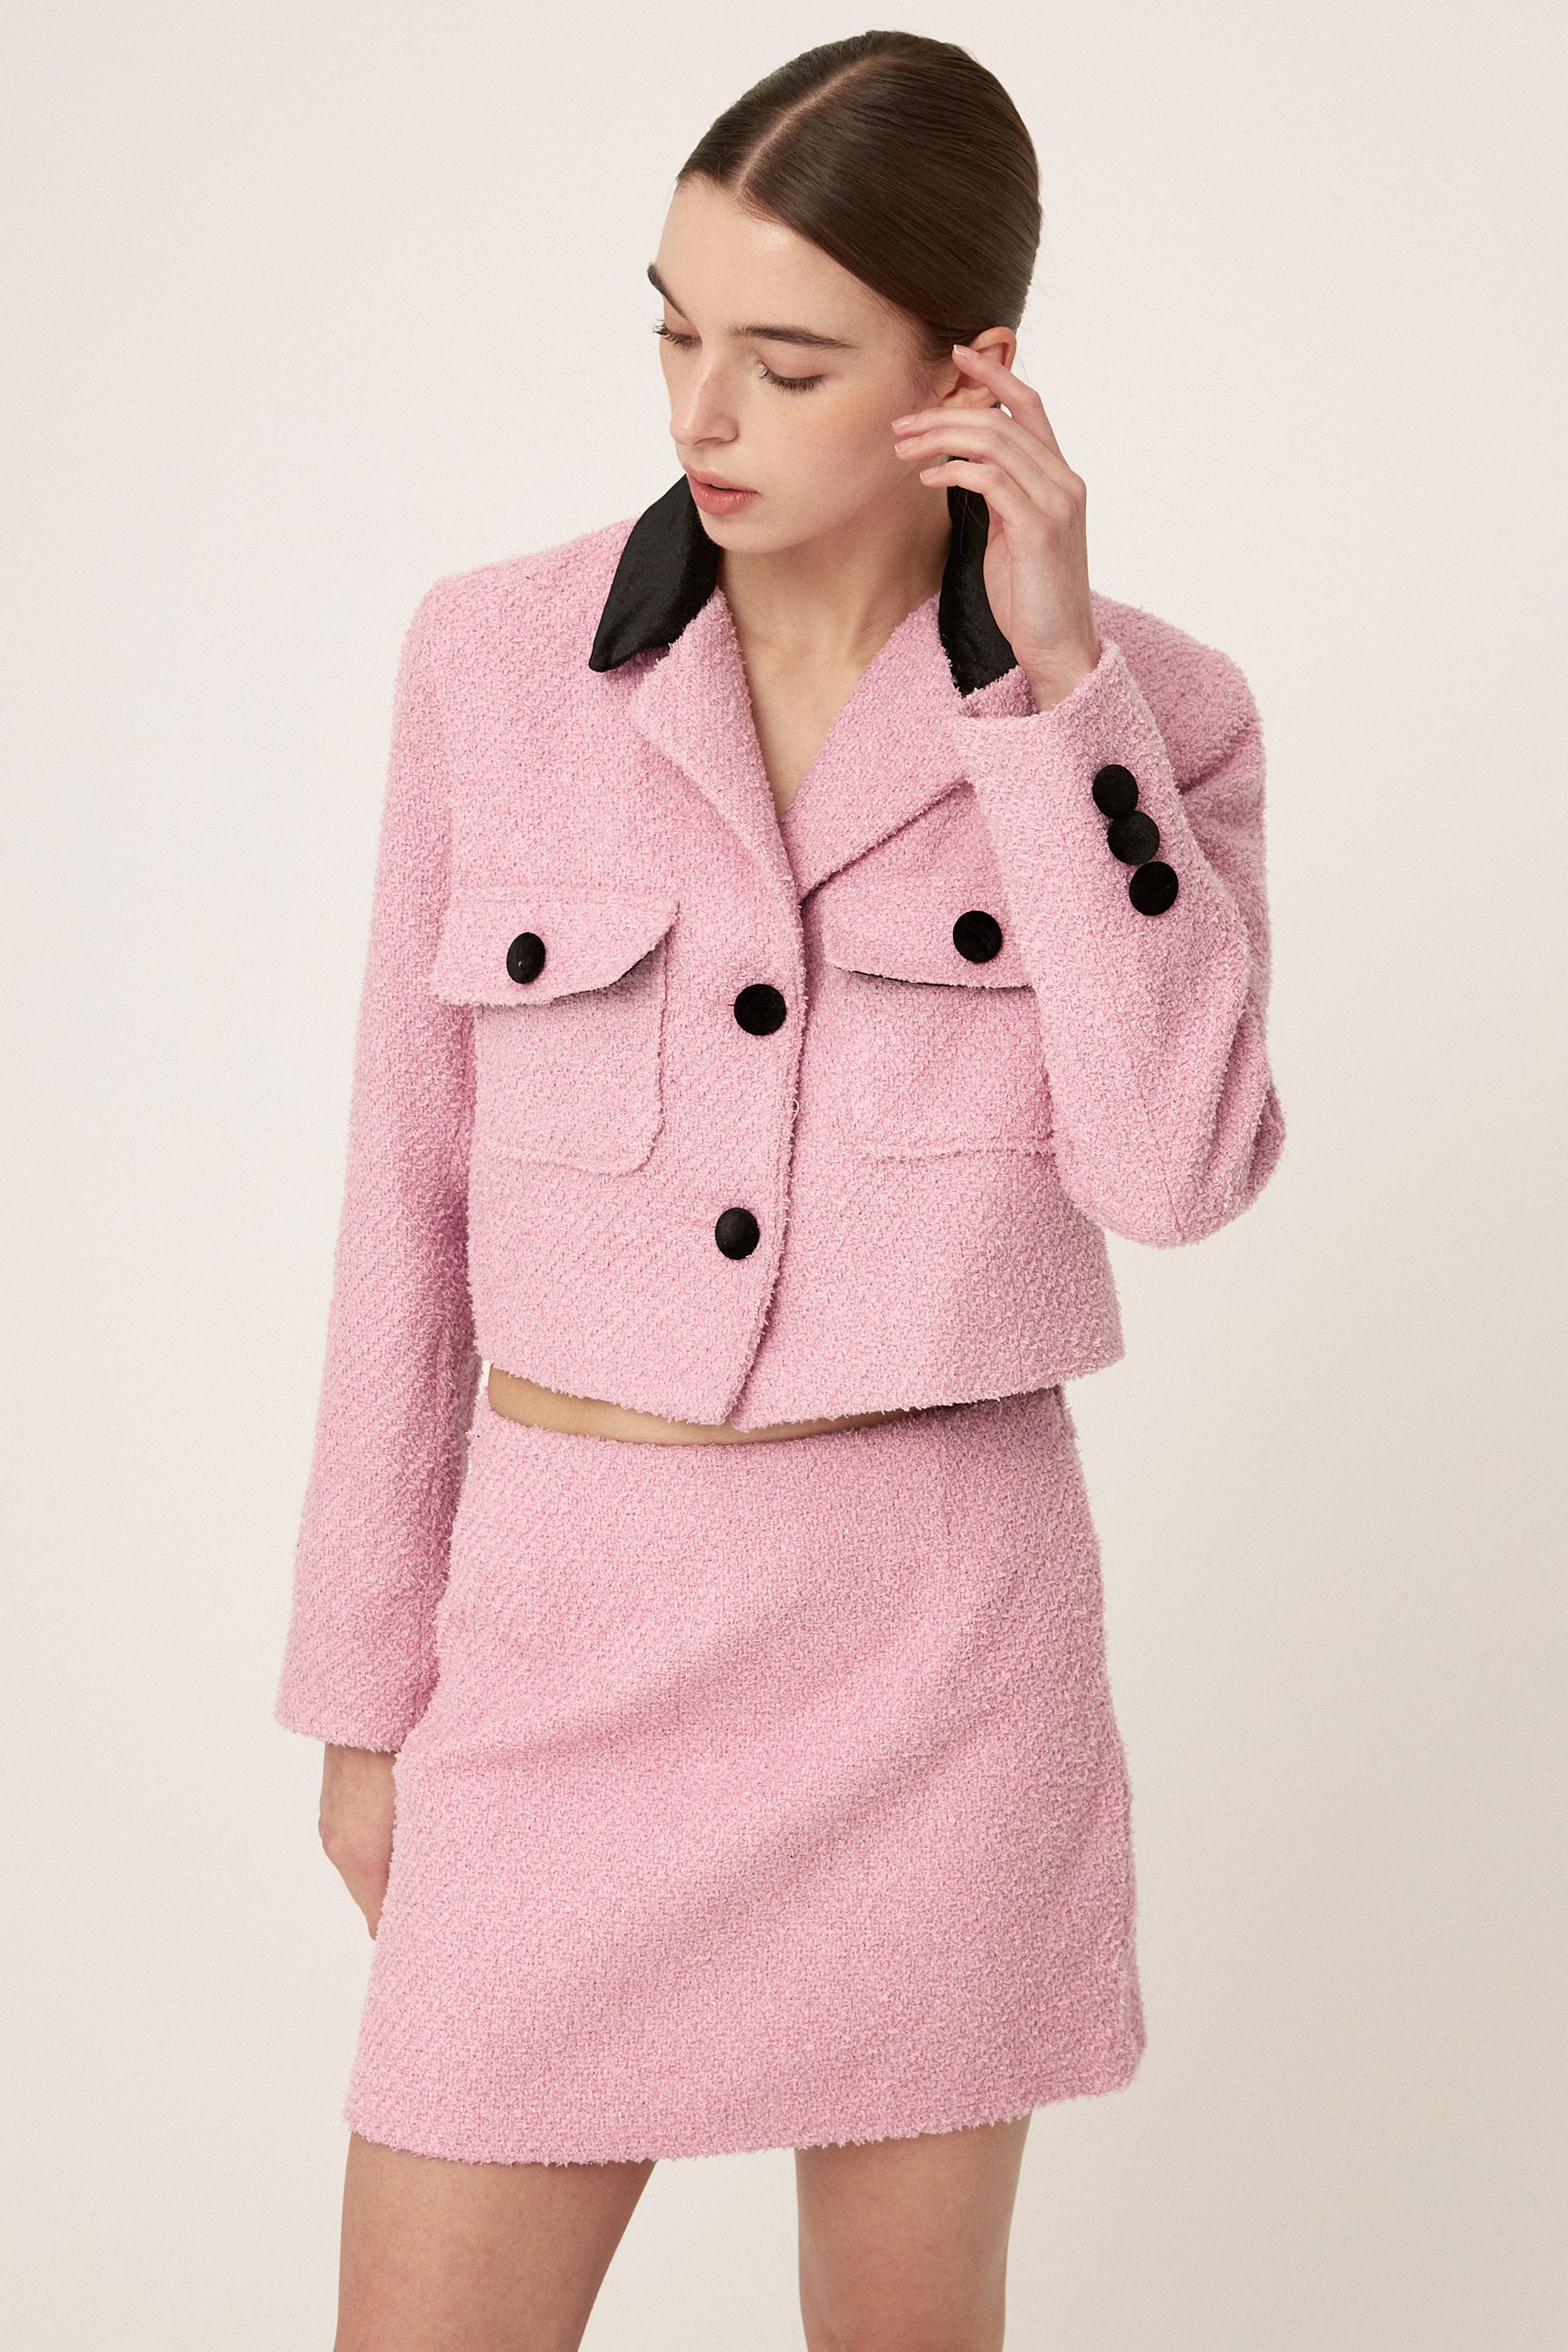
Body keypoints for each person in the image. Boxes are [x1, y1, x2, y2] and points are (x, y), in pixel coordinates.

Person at [274, 29, 1285, 2350]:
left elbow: (1181, 1167)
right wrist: (362, 1694)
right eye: (673, 332)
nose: (700, 416)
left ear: (971, 377)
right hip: (560, 1647)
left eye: (790, 361)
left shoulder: (1154, 716)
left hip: (937, 1666)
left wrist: (1054, 695)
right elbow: (401, 1210)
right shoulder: (495, 661)